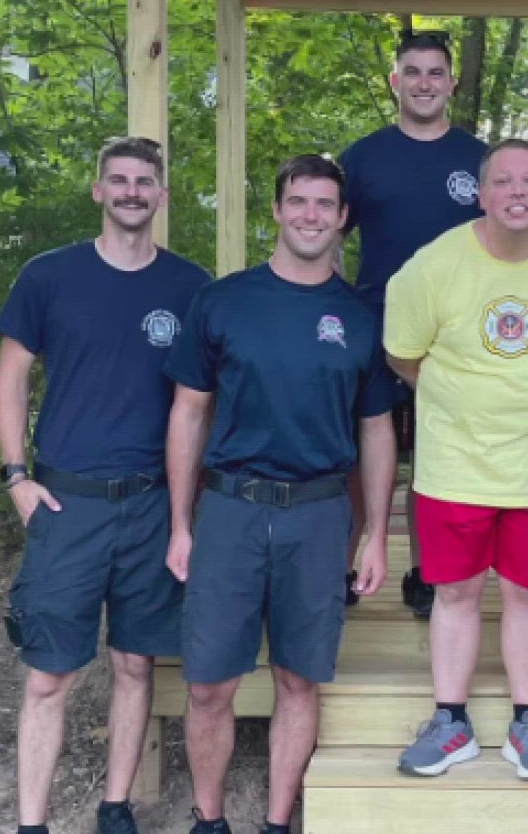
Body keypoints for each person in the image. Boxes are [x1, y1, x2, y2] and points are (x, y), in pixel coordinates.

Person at [162, 155, 399, 834]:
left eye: (325, 204)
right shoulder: (223, 300)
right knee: (208, 685)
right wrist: (181, 523)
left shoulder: (358, 315)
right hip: (231, 510)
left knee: (299, 679)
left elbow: (377, 428)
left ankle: (275, 821)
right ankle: (209, 821)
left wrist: (377, 531)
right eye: (298, 201)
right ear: (277, 209)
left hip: (321, 515)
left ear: (343, 219)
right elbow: (186, 412)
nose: (310, 215)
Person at [0, 136, 211, 834]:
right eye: (118, 180)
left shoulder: (188, 287)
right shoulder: (49, 277)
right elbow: (10, 377)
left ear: (162, 195)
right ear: (98, 191)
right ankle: (32, 823)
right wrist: (16, 477)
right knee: (50, 676)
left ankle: (115, 807)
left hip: (150, 503)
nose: (131, 192)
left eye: (144, 181)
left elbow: (202, 400)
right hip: (67, 502)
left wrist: (188, 509)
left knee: (136, 665)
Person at [383, 139, 528, 781]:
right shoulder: (431, 266)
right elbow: (402, 356)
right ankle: (451, 723)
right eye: (504, 181)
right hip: (456, 464)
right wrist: (457, 401)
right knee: (457, 591)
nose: (518, 192)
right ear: (482, 193)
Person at [340, 29, 489, 618]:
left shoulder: (477, 159)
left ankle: (427, 573)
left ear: (452, 83)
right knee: (357, 452)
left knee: (436, 456)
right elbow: (328, 235)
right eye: (413, 71)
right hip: (374, 326)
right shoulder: (363, 157)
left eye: (435, 72)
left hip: (452, 336)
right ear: (395, 81)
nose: (424, 82)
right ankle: (345, 566)